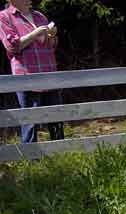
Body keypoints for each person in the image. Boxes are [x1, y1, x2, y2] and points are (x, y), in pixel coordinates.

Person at [0, 0, 63, 143]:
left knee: (56, 119)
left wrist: (52, 36)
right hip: (26, 77)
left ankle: (61, 157)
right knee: (29, 122)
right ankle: (30, 162)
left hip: (49, 74)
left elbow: (50, 47)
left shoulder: (39, 16)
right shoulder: (4, 17)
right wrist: (35, 33)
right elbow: (12, 47)